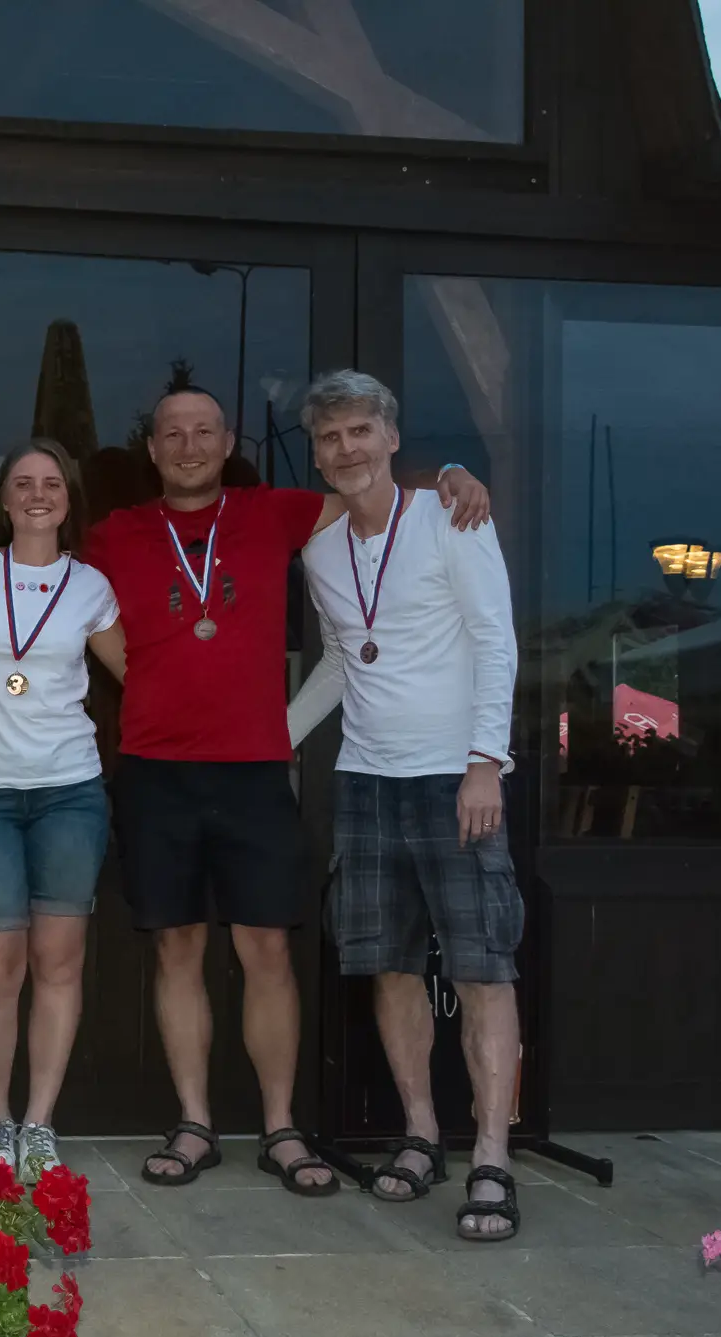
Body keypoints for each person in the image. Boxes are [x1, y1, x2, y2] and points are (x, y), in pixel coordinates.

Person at [84, 385, 488, 1195]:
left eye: (204, 431)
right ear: (152, 449)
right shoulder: (112, 533)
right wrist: (152, 682)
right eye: (173, 434)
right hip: (156, 770)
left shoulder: (275, 512)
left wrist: (449, 475)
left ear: (227, 440)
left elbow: (369, 491)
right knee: (177, 948)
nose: (189, 446)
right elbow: (71, 607)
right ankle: (194, 1123)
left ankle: (280, 1129)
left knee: (266, 950)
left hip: (254, 771)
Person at [287, 369, 523, 1242]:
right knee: (388, 967)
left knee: (482, 969)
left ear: (391, 437)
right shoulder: (319, 552)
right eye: (329, 438)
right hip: (365, 778)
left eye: (360, 431)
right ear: (317, 456)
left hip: (457, 778)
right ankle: (421, 1133)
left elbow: (496, 641)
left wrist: (485, 763)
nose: (346, 448)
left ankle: (491, 1155)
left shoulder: (453, 516)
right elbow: (343, 659)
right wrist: (275, 737)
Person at [0, 439, 124, 1181]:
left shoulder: (92, 587)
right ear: (5, 498)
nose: (38, 494)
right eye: (24, 482)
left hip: (69, 792)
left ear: (67, 499)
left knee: (58, 962)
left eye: (52, 482)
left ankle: (40, 1122)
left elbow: (138, 673)